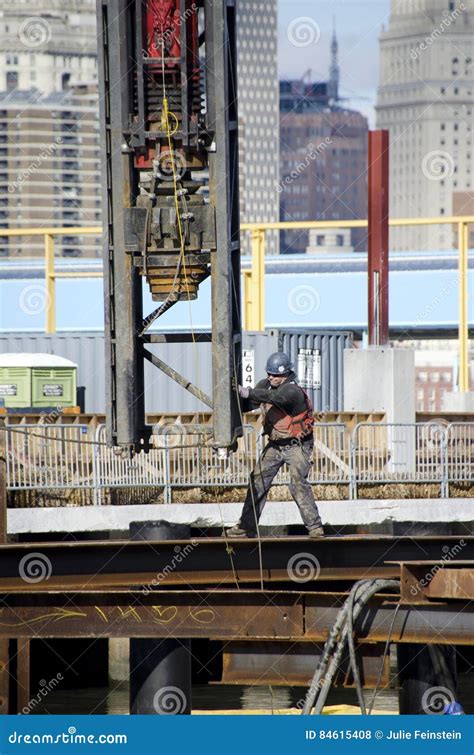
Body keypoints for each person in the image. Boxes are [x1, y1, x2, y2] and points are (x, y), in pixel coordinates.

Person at [227, 351, 324, 538]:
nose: (271, 377)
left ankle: (315, 527)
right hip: (275, 444)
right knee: (257, 480)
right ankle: (246, 526)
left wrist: (246, 391)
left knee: (297, 483)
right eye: (269, 374)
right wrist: (234, 396)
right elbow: (249, 404)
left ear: (286, 374)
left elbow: (276, 399)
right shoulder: (265, 385)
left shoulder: (292, 391)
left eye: (276, 375)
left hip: (297, 445)